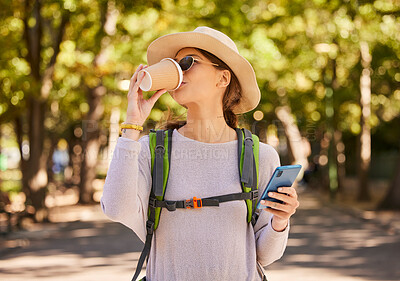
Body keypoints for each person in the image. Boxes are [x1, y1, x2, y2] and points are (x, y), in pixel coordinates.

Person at [101, 26, 300, 281]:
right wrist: (132, 123)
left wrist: (280, 221)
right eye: (173, 64)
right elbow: (116, 208)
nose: (177, 71)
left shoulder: (260, 156)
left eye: (187, 62)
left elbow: (264, 255)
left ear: (223, 78)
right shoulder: (149, 150)